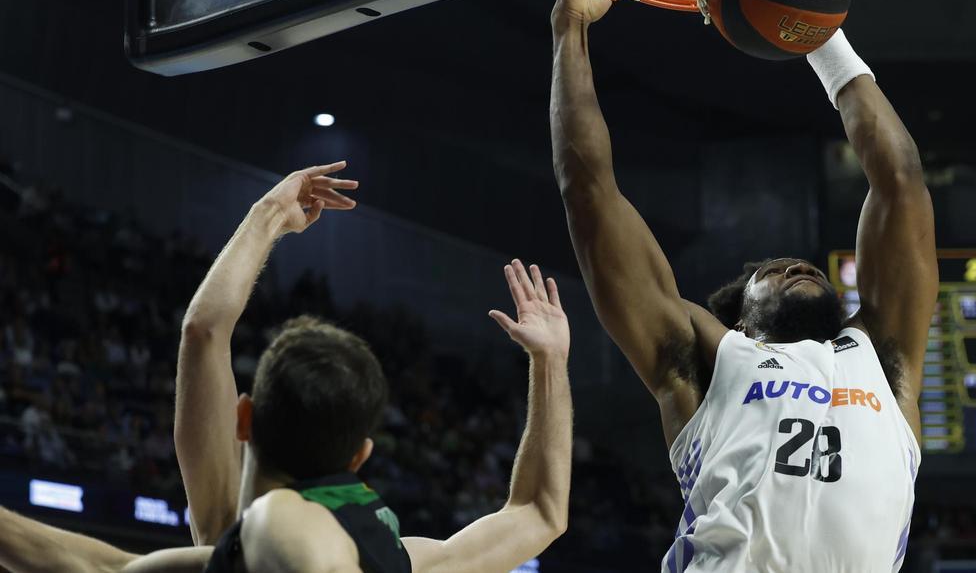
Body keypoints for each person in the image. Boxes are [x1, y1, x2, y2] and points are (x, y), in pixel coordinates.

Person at [549, 0, 937, 572]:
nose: (797, 266)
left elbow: (901, 182)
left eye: (801, 265)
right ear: (741, 319)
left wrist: (822, 34)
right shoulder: (709, 359)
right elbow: (589, 192)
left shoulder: (885, 358)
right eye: (773, 270)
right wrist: (570, 28)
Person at [0, 163, 573, 573]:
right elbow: (539, 512)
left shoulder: (275, 523)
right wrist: (550, 361)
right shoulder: (400, 557)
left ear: (243, 417)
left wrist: (268, 214)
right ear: (359, 456)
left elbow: (204, 332)